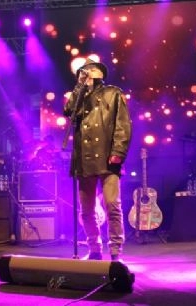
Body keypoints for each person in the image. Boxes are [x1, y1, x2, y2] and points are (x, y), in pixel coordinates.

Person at [64, 58, 132, 261]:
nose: (87, 73)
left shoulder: (114, 93)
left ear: (100, 74)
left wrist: (118, 151)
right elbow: (69, 112)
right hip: (84, 159)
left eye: (91, 69)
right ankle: (94, 248)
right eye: (83, 71)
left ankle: (116, 250)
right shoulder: (79, 96)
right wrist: (79, 87)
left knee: (112, 205)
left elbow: (123, 125)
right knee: (87, 210)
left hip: (107, 157)